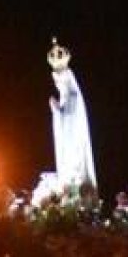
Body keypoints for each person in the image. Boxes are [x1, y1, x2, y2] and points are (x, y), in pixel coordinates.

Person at [46, 37, 97, 189]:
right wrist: (56, 111)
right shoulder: (64, 97)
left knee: (75, 161)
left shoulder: (74, 97)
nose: (58, 85)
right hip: (66, 144)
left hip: (74, 142)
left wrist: (58, 112)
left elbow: (70, 122)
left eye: (59, 81)